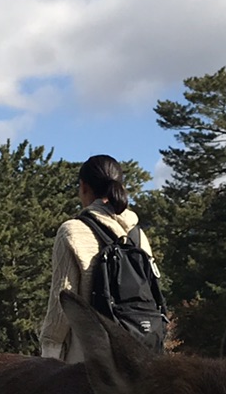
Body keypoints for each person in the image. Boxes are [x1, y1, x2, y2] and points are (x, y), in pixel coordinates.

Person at [39, 155, 160, 363]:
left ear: (83, 187)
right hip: (141, 355)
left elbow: (62, 305)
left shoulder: (72, 231)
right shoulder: (137, 234)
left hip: (90, 360)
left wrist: (49, 351)